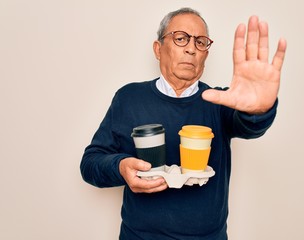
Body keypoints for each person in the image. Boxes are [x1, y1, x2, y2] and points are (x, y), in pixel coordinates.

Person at [80, 7, 286, 240]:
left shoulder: (220, 102)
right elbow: (90, 164)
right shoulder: (128, 98)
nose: (191, 48)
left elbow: (251, 125)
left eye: (200, 42)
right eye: (181, 38)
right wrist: (120, 167)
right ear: (158, 49)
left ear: (206, 55)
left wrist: (258, 109)